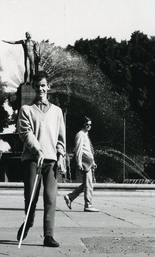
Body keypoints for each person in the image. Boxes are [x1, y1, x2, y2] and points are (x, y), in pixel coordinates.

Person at [17, 71, 66, 247]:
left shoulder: (57, 112)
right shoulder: (26, 110)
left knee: (50, 197)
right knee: (31, 196)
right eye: (37, 86)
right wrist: (37, 150)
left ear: (48, 87)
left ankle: (48, 235)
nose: (41, 89)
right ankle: (29, 222)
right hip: (32, 159)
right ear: (33, 88)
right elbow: (25, 133)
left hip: (51, 161)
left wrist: (60, 156)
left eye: (43, 85)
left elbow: (61, 138)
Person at [64, 117, 99, 212]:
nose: (89, 126)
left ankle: (70, 197)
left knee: (87, 184)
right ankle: (88, 204)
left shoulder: (85, 135)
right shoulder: (80, 135)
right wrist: (79, 162)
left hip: (88, 161)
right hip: (84, 162)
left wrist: (93, 162)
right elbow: (78, 149)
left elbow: (88, 150)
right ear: (83, 124)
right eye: (87, 124)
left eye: (90, 125)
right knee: (88, 184)